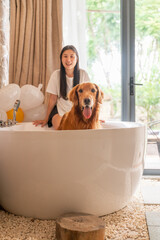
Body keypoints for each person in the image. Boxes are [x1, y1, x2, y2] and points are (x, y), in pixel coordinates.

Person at [33, 45, 90, 129]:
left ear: (77, 59)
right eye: (65, 56)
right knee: (61, 127)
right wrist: (46, 118)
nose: (68, 60)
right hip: (60, 109)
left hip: (78, 110)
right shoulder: (56, 74)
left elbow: (89, 96)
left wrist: (94, 117)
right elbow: (53, 98)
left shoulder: (83, 74)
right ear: (61, 59)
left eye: (72, 56)